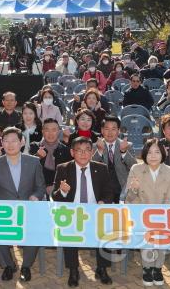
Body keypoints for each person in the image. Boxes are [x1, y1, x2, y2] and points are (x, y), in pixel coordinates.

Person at [0, 127, 45, 282]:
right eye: (6, 141)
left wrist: (35, 196)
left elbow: (40, 187)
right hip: (6, 212)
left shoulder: (34, 162)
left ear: (21, 142)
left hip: (28, 210)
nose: (10, 144)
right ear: (2, 143)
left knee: (34, 230)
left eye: (14, 141)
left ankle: (26, 266)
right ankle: (9, 265)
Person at [52, 137, 116, 287]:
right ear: (72, 152)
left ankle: (102, 268)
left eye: (87, 150)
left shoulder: (101, 168)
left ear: (92, 152)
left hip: (95, 213)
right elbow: (54, 196)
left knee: (105, 227)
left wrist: (103, 202)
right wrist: (62, 191)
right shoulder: (63, 168)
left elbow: (109, 192)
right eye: (79, 150)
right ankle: (74, 270)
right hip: (72, 215)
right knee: (68, 230)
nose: (83, 154)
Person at [125, 138, 170, 286]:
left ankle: (158, 268)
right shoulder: (136, 168)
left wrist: (161, 215)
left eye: (157, 152)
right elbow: (129, 198)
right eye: (149, 152)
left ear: (162, 153)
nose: (153, 156)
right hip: (141, 214)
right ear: (144, 154)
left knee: (161, 233)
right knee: (146, 233)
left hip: (163, 213)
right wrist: (134, 188)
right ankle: (147, 268)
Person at [92, 116, 137, 200]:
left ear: (118, 131)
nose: (110, 132)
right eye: (107, 129)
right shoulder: (95, 146)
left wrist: (124, 152)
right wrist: (99, 151)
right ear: (102, 130)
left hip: (122, 186)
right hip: (101, 188)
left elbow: (134, 167)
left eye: (113, 129)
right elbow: (90, 168)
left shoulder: (128, 145)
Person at [29, 118, 72, 196]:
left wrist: (56, 187)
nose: (50, 133)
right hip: (36, 191)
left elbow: (69, 174)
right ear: (42, 131)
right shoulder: (34, 146)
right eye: (47, 130)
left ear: (59, 132)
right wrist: (37, 156)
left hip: (59, 191)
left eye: (54, 130)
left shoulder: (66, 150)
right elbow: (27, 170)